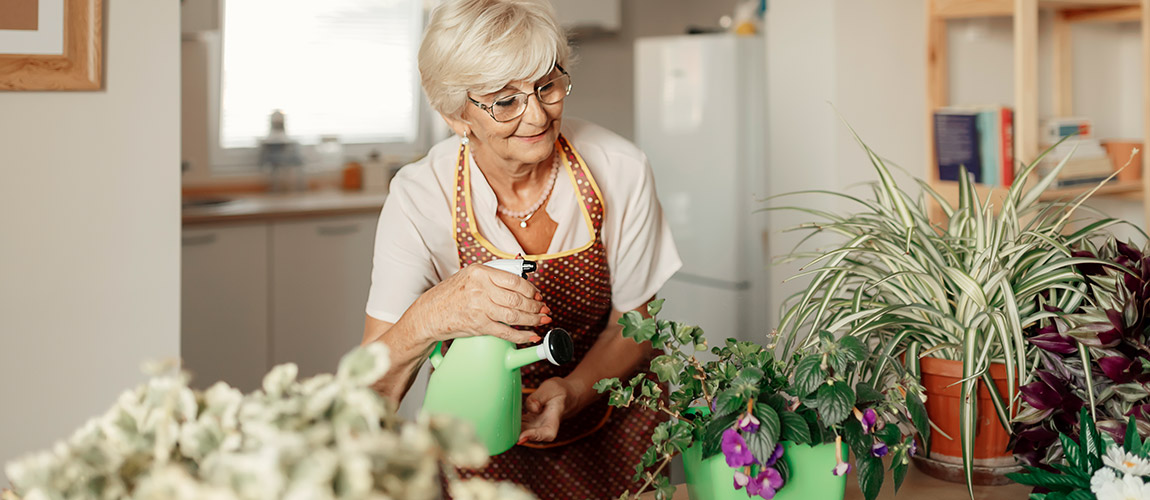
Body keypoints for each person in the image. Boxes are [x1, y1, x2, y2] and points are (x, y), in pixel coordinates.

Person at [361, 0, 681, 497]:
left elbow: (635, 324)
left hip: (613, 428)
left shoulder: (618, 167)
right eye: (504, 100)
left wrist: (573, 391)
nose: (536, 115)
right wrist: (433, 314)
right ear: (454, 113)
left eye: (546, 85)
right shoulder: (421, 195)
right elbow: (372, 387)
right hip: (479, 441)